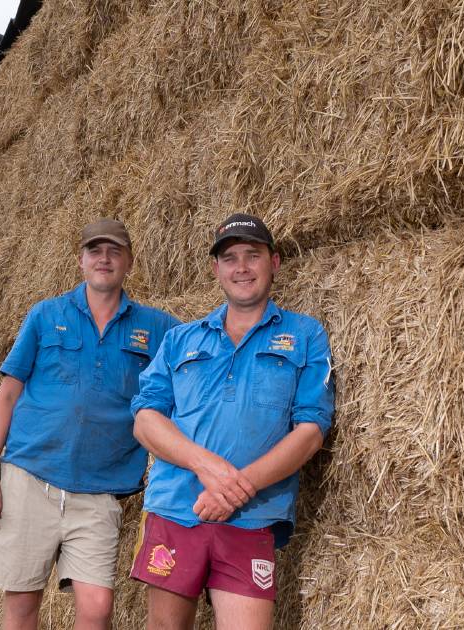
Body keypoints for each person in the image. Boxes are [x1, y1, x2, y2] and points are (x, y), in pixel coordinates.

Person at [0, 218, 181, 630]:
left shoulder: (157, 328)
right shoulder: (46, 315)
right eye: (95, 251)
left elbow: (200, 357)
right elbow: (8, 394)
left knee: (98, 606)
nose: (104, 258)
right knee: (21, 603)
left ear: (130, 262)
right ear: (81, 260)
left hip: (100, 490)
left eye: (114, 251)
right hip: (30, 476)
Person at [129, 213, 335, 630]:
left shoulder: (305, 334)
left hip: (252, 516)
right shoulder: (180, 340)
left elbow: (311, 431)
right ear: (216, 269)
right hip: (175, 510)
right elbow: (145, 420)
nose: (241, 267)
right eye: (230, 258)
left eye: (252, 255)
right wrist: (209, 468)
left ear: (273, 263)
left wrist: (239, 489)